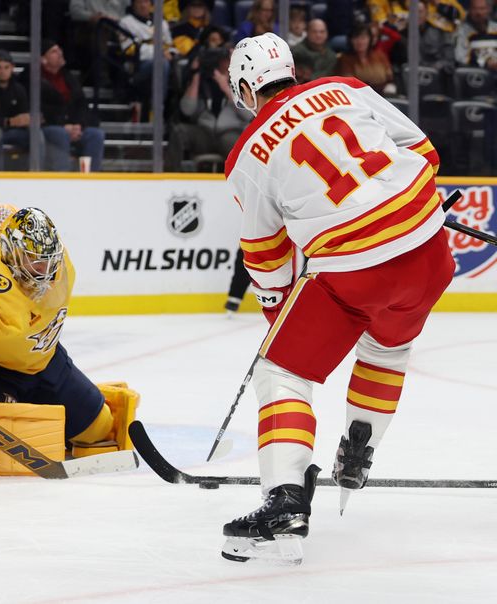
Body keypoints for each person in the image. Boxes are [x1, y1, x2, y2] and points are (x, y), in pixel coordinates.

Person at [221, 33, 454, 564]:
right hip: (431, 252)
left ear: (244, 88)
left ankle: (284, 501)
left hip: (356, 270)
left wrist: (280, 317)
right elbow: (423, 151)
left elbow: (264, 252)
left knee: (280, 370)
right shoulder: (346, 86)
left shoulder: (247, 154)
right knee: (388, 349)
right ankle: (357, 454)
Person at [0, 205, 136, 455]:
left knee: (98, 428)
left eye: (49, 261)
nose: (46, 271)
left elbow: (3, 220)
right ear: (12, 254)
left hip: (47, 361)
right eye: (36, 262)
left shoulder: (58, 262)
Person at [165, 45, 249, 171]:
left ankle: (242, 184)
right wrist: (196, 75)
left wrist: (226, 88)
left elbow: (248, 115)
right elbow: (187, 110)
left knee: (237, 145)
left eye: (227, 58)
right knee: (179, 131)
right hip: (205, 132)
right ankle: (170, 177)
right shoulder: (204, 81)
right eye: (221, 58)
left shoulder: (243, 82)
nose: (224, 61)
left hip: (231, 132)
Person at [36, 40, 105, 172]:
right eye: (54, 51)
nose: (60, 53)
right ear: (43, 59)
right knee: (59, 133)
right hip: (48, 127)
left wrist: (79, 125)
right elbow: (40, 108)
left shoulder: (68, 77)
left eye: (59, 49)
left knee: (96, 134)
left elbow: (82, 104)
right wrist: (63, 125)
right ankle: (63, 177)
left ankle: (90, 177)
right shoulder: (33, 78)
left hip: (72, 126)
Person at [0, 49, 42, 169]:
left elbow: (23, 114)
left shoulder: (19, 89)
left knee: (36, 134)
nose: (2, 71)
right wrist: (7, 121)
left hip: (14, 131)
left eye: (6, 67)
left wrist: (28, 120)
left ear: (12, 68)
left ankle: (36, 172)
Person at [335, 22, 395, 95]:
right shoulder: (345, 59)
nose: (360, 41)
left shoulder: (380, 55)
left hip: (384, 95)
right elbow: (348, 84)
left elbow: (390, 76)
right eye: (356, 38)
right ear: (350, 40)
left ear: (370, 39)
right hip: (359, 97)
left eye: (363, 38)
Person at [453, 0, 497, 70]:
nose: (478, 13)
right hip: (475, 74)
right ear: (469, 10)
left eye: (482, 9)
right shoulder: (462, 32)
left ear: (488, 10)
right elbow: (461, 58)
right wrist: (485, 63)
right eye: (475, 9)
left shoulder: (495, 29)